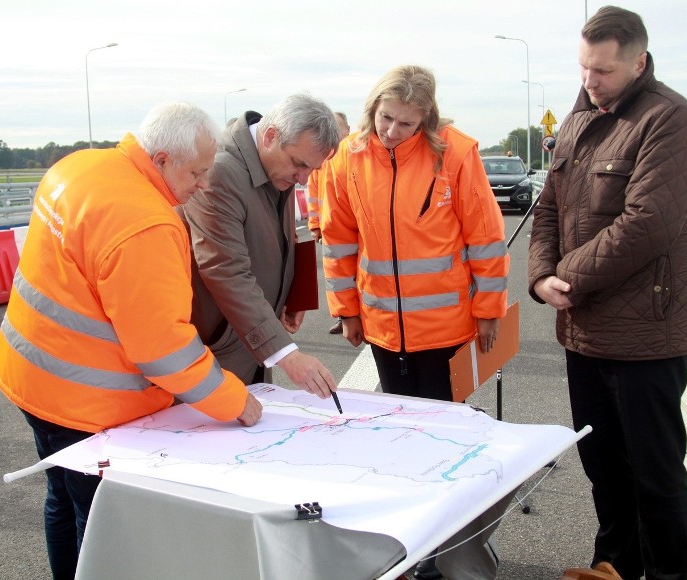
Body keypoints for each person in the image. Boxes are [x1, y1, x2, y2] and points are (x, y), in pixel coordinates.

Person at [0, 102, 263, 580]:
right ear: (160, 160)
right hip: (86, 406)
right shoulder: (147, 223)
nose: (203, 185)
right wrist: (234, 399)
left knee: (59, 496)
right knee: (100, 525)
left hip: (30, 375)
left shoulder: (78, 166)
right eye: (197, 173)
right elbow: (165, 351)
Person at [527, 7, 687, 580]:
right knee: (603, 467)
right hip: (585, 332)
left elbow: (647, 224)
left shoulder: (671, 119)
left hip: (647, 335)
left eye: (602, 71)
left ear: (639, 60)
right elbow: (549, 209)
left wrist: (570, 276)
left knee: (652, 474)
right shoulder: (580, 120)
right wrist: (539, 277)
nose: (589, 81)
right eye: (583, 67)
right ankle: (612, 567)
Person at [321, 64, 509, 580]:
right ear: (372, 109)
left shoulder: (457, 154)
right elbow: (338, 241)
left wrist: (489, 310)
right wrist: (346, 310)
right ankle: (412, 548)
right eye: (385, 118)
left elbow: (486, 237)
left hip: (446, 329)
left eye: (405, 123)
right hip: (383, 328)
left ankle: (448, 545)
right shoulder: (347, 158)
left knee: (441, 445)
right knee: (400, 439)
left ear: (425, 117)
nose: (391, 132)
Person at [181, 93, 340, 398]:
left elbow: (280, 237)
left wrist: (294, 295)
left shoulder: (276, 166)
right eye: (299, 165)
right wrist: (286, 355)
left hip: (250, 340)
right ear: (270, 136)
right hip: (220, 347)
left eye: (311, 170)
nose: (304, 179)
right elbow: (225, 270)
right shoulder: (221, 172)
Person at [306, 111, 351, 334]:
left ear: (348, 130)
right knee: (335, 276)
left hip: (350, 229)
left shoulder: (356, 157)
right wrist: (315, 224)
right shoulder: (322, 161)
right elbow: (313, 194)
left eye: (338, 128)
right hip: (329, 228)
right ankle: (344, 316)